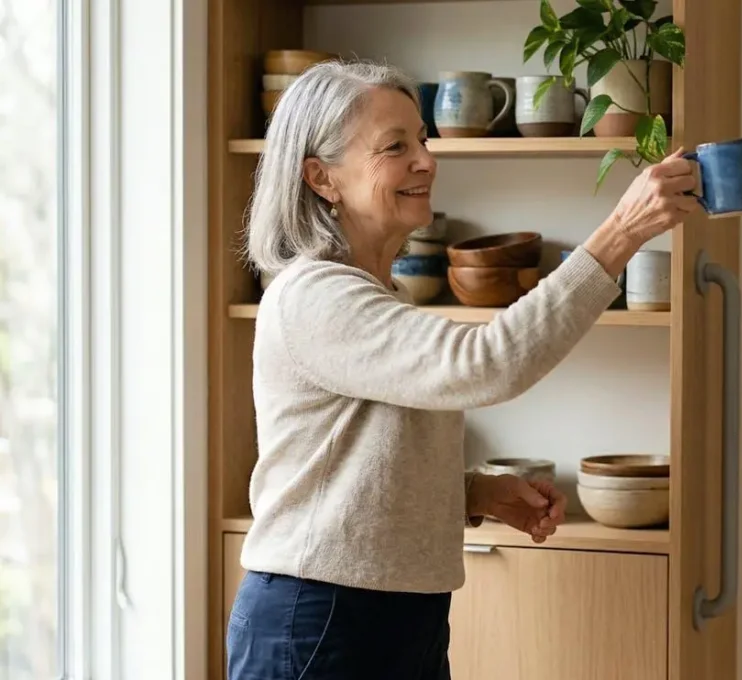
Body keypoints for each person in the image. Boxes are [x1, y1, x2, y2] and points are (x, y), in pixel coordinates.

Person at [226, 59, 698, 679]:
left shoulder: (371, 295)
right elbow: (486, 362)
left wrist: (470, 493)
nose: (426, 159)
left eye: (421, 138)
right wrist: (621, 231)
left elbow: (352, 469)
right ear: (322, 177)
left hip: (394, 617)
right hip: (321, 619)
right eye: (394, 146)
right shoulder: (315, 296)